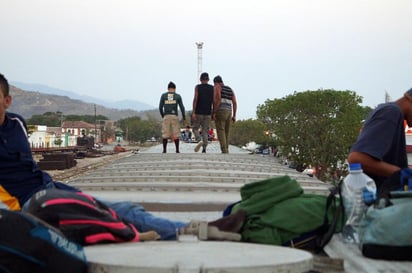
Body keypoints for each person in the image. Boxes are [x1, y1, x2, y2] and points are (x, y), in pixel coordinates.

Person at [0, 73, 243, 241]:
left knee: (117, 209)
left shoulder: (17, 124)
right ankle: (195, 230)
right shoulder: (183, 95)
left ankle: (156, 231)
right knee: (113, 212)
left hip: (49, 188)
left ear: (7, 101)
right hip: (31, 203)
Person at [347, 88, 412, 189]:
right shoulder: (391, 112)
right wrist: (403, 174)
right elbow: (357, 158)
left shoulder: (388, 112)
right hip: (373, 200)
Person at [212, 75, 237, 154]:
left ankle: (224, 150)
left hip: (221, 111)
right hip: (229, 111)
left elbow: (218, 98)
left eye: (214, 84)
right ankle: (226, 148)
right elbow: (235, 102)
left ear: (216, 83)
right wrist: (234, 115)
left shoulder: (218, 87)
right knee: (227, 131)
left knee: (221, 130)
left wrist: (214, 112)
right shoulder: (230, 89)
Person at [159, 81, 186, 153]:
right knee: (176, 133)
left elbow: (160, 107)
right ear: (175, 88)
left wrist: (163, 115)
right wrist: (184, 117)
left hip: (166, 116)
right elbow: (182, 107)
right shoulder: (177, 96)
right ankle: (177, 150)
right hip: (174, 116)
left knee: (165, 134)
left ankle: (164, 150)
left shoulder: (163, 96)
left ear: (168, 88)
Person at [191, 72, 214, 153]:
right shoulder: (212, 88)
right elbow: (214, 101)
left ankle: (198, 139)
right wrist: (213, 113)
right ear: (208, 79)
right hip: (208, 113)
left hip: (198, 112)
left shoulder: (197, 87)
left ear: (200, 79)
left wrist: (193, 111)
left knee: (195, 128)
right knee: (205, 131)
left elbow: (195, 99)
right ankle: (204, 148)